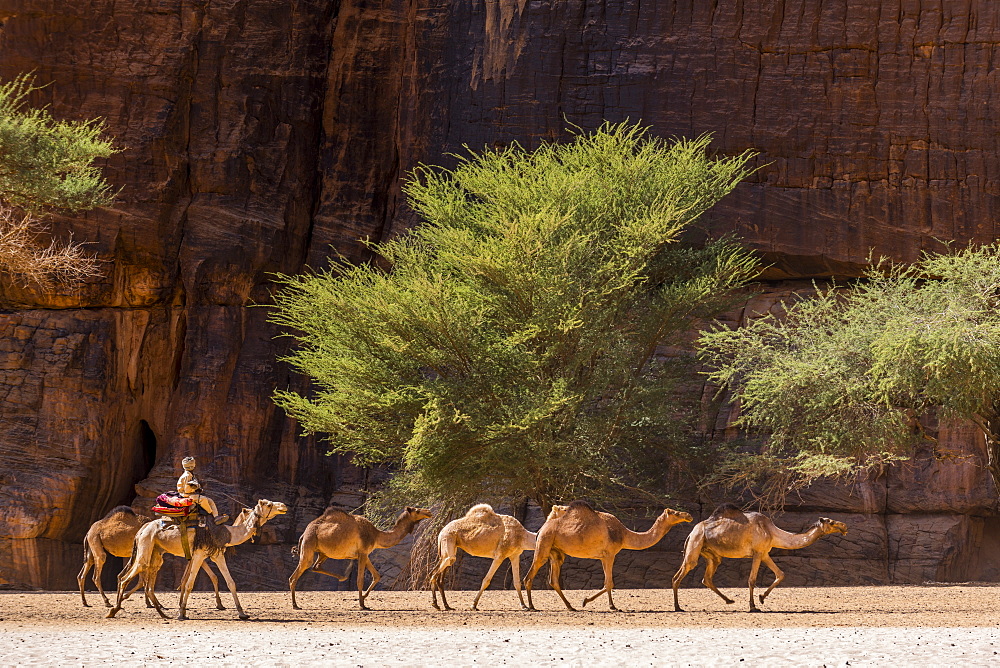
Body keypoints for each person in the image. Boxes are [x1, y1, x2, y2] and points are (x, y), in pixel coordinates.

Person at [176, 456, 228, 525]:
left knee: (210, 500)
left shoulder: (190, 474)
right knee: (203, 500)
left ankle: (216, 517)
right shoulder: (187, 475)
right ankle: (210, 514)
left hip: (191, 494)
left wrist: (198, 488)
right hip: (186, 495)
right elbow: (187, 490)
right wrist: (196, 488)